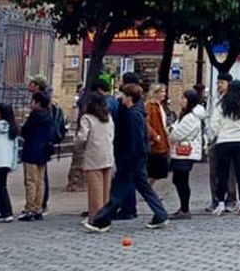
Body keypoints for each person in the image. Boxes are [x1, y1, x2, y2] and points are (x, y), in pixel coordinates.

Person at [86, 83, 169, 232]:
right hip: (136, 158)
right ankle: (161, 214)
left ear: (129, 98)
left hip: (131, 158)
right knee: (144, 188)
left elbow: (135, 139)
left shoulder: (133, 115)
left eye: (123, 95)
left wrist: (130, 158)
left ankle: (102, 220)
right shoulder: (135, 111)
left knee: (118, 191)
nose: (120, 98)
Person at [209, 78, 240, 215]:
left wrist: (215, 135)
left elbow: (214, 125)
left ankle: (221, 203)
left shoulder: (221, 105)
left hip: (223, 141)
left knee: (223, 173)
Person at [164, 88, 207, 220]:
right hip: (181, 153)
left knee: (181, 180)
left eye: (183, 98)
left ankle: (185, 209)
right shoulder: (185, 114)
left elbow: (177, 134)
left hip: (185, 153)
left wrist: (169, 132)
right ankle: (183, 208)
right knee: (178, 180)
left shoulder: (191, 117)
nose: (181, 101)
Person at [73, 91, 114, 222]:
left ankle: (95, 217)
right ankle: (106, 214)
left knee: (95, 189)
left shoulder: (87, 118)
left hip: (93, 155)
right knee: (106, 188)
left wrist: (78, 143)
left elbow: (82, 137)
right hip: (107, 153)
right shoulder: (108, 117)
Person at [15, 91, 55, 221]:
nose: (31, 104)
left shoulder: (35, 116)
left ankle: (29, 208)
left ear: (38, 103)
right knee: (40, 181)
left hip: (32, 150)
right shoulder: (48, 116)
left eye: (32, 101)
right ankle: (38, 208)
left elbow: (26, 131)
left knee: (31, 181)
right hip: (43, 151)